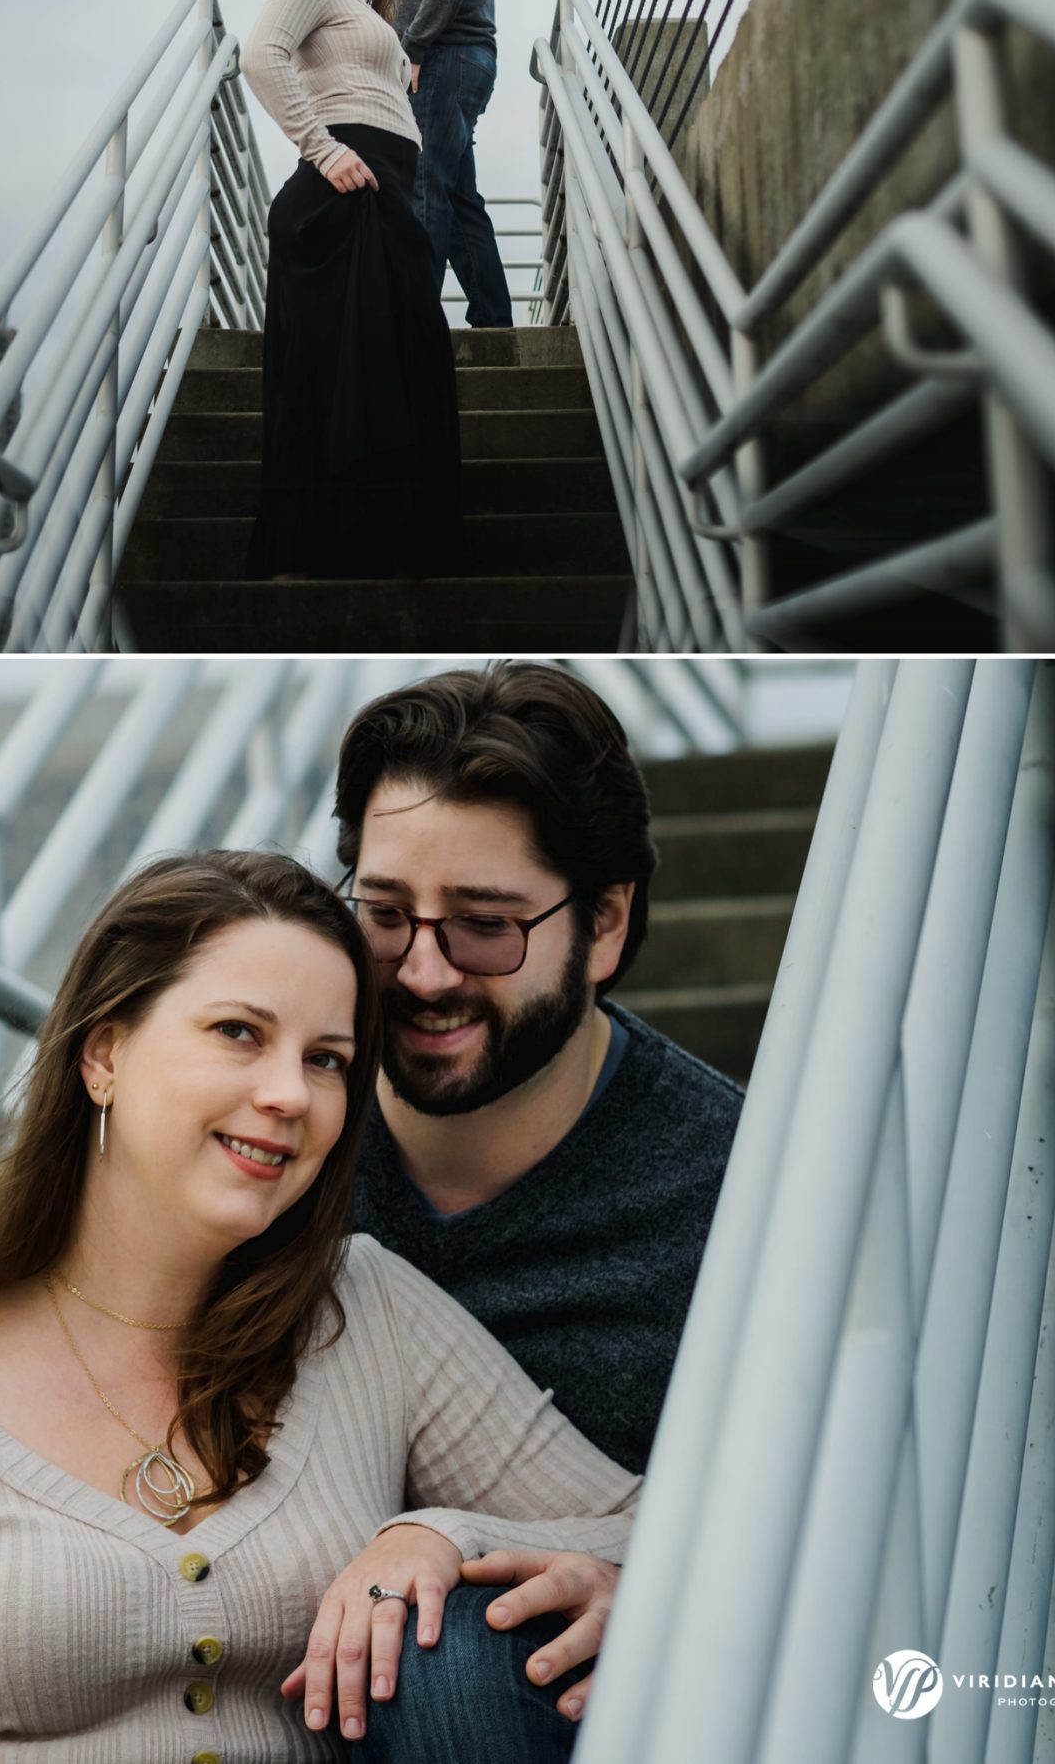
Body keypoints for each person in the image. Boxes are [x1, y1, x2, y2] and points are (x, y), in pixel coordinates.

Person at [0, 851, 639, 1764]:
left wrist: (441, 1535)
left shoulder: (366, 1311)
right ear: (103, 1054)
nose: (291, 1093)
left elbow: (648, 1529)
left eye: (327, 1059)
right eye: (239, 1033)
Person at [335, 662, 744, 1753]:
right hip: (256, 1672)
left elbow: (820, 1525)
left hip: (581, 1706)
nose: (421, 974)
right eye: (382, 915)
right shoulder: (271, 1137)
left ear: (604, 925)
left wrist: (650, 1581)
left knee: (451, 1655)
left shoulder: (739, 1193)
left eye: (483, 925)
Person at [239, 0, 462, 581]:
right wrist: (321, 147)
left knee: (402, 375)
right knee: (332, 384)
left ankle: (384, 551)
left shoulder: (372, 11)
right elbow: (259, 55)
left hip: (387, 193)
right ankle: (304, 562)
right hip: (337, 198)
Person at [396, 0, 512, 328]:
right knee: (456, 194)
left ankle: (412, 324)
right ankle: (493, 322)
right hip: (450, 57)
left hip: (446, 56)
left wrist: (415, 45)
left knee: (424, 185)